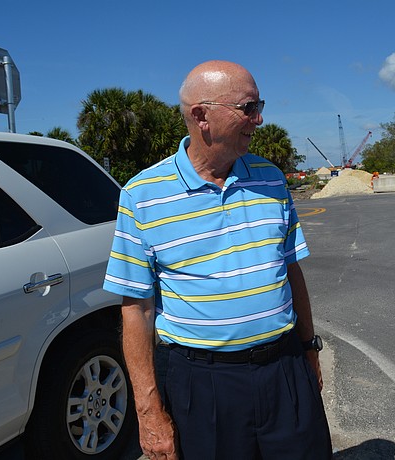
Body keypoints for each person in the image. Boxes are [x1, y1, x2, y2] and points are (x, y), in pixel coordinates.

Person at [103, 60, 332, 460]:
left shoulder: (271, 178)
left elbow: (291, 270)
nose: (259, 119)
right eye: (248, 108)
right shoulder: (141, 195)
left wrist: (309, 349)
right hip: (202, 384)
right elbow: (136, 310)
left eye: (259, 106)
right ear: (201, 116)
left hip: (284, 368)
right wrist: (149, 412)